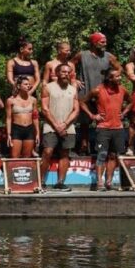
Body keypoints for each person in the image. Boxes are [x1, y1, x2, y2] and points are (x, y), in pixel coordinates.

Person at [80, 68, 131, 191]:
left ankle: (109, 181)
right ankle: (99, 183)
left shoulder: (122, 89)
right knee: (101, 155)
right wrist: (92, 115)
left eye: (120, 76)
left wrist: (123, 113)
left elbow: (130, 102)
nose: (120, 78)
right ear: (109, 78)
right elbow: (82, 102)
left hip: (118, 128)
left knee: (114, 155)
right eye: (117, 76)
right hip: (103, 128)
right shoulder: (97, 90)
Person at [70, 32, 121, 155]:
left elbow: (120, 68)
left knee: (103, 119)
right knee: (84, 121)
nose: (105, 44)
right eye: (102, 42)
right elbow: (70, 65)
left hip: (102, 92)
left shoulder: (108, 56)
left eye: (105, 41)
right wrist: (73, 79)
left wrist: (112, 77)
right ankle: (83, 145)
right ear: (94, 42)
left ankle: (103, 147)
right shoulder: (82, 55)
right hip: (86, 90)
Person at [40, 63, 80, 192]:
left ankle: (60, 182)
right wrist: (57, 125)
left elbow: (76, 110)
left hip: (68, 127)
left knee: (65, 154)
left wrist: (64, 124)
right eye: (63, 72)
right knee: (48, 152)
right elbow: (44, 109)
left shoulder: (73, 89)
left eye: (68, 72)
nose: (66, 74)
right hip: (51, 126)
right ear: (57, 73)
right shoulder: (48, 87)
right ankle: (40, 181)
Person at [5, 76, 39, 158]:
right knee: (14, 156)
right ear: (19, 86)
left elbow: (35, 117)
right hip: (17, 129)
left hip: (29, 129)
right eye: (26, 84)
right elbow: (8, 118)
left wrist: (37, 133)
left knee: (27, 157)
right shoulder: (11, 100)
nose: (28, 86)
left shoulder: (33, 100)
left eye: (29, 84)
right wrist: (8, 134)